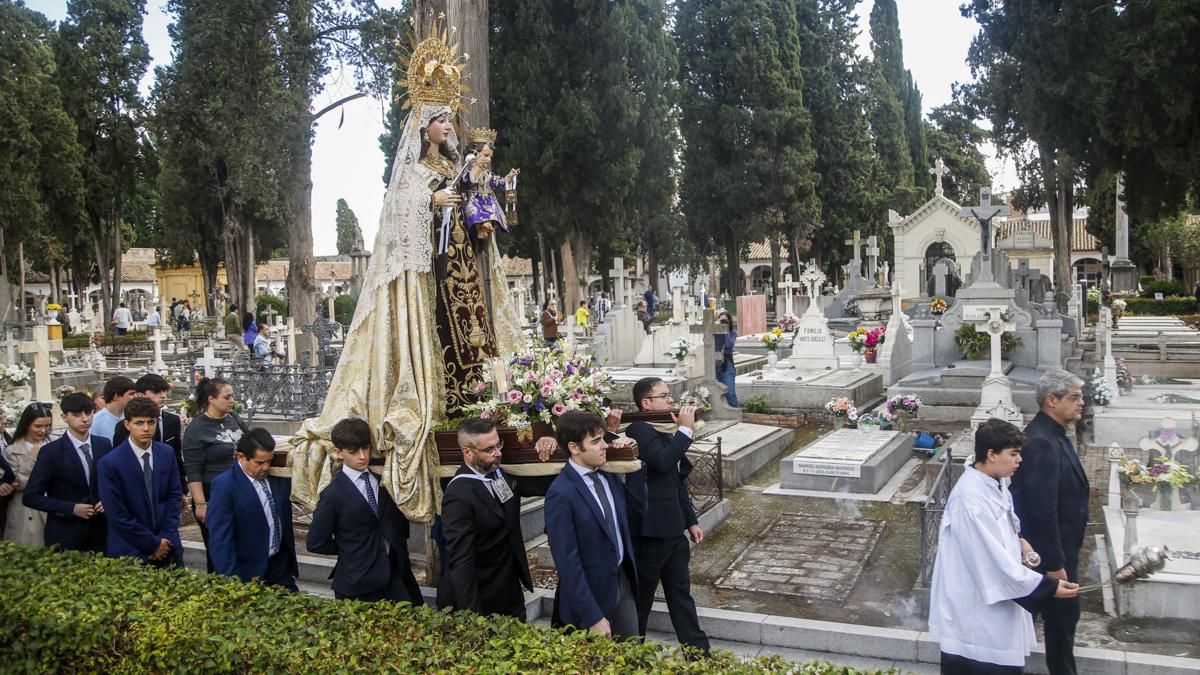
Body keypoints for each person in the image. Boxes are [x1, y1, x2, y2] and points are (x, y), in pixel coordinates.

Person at [930, 418, 1080, 673]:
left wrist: (1019, 541)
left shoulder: (993, 482)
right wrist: (1048, 587)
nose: (1019, 460)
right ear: (991, 454)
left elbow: (1002, 525)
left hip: (993, 609)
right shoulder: (971, 499)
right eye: (1013, 454)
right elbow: (990, 562)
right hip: (976, 616)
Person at [1009, 370, 1089, 675]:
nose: (1081, 402)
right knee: (1056, 625)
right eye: (1074, 397)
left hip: (1059, 554)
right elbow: (1041, 509)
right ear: (1051, 401)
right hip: (1048, 560)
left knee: (1062, 626)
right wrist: (1055, 566)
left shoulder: (1055, 434)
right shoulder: (1041, 441)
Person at [624, 377, 710, 653]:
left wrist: (691, 520)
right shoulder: (639, 429)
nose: (671, 400)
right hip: (650, 533)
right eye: (664, 396)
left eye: (670, 395)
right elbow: (662, 461)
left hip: (674, 531)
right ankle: (631, 655)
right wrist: (684, 431)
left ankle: (699, 655)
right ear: (646, 403)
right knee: (642, 601)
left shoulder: (665, 428)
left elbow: (676, 480)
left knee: (681, 597)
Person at [306, 417, 424, 604]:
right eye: (353, 452)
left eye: (366, 448)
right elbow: (315, 542)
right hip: (357, 582)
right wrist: (350, 547)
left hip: (397, 578)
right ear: (339, 453)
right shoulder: (333, 494)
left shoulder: (385, 482)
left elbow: (397, 524)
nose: (362, 456)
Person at [546, 411, 639, 640]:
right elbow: (567, 562)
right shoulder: (561, 493)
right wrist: (592, 616)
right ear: (574, 447)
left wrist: (632, 460)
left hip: (622, 583)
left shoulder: (608, 475)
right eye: (596, 441)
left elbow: (638, 510)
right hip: (592, 596)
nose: (604, 446)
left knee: (633, 653)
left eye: (604, 438)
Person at [437, 418, 534, 619]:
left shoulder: (499, 473)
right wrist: (473, 617)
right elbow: (461, 560)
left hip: (509, 590)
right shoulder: (458, 495)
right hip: (480, 595)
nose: (498, 453)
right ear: (468, 452)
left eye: (499, 445)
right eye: (489, 449)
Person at [207, 428, 298, 591]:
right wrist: (233, 583)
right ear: (240, 457)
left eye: (269, 461)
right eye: (259, 463)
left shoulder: (277, 477)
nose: (266, 467)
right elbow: (221, 540)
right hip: (247, 571)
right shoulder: (225, 486)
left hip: (279, 566)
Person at [96, 396, 183, 567]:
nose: (146, 428)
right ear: (127, 424)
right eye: (139, 423)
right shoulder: (110, 463)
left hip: (168, 545)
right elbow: (117, 513)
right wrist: (152, 544)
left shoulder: (166, 453)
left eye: (151, 422)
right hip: (130, 549)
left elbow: (174, 497)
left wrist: (165, 537)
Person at [22, 393, 113, 552]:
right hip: (66, 534)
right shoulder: (51, 452)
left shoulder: (103, 444)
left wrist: (107, 500)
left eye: (89, 413)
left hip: (101, 532)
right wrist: (71, 508)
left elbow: (114, 483)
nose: (85, 419)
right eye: (77, 415)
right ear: (64, 417)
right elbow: (31, 496)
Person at [182, 377, 244, 571]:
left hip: (239, 488)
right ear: (211, 399)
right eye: (227, 397)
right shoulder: (197, 428)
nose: (231, 400)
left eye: (232, 396)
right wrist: (201, 504)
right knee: (220, 549)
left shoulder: (233, 418)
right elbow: (193, 469)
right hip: (213, 492)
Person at [113, 374, 184, 488]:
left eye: (164, 391)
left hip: (167, 484)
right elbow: (119, 459)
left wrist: (182, 488)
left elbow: (177, 457)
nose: (163, 396)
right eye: (156, 392)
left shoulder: (172, 420)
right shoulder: (125, 425)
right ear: (140, 395)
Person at [2, 403, 54, 545]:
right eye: (38, 426)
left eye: (47, 426)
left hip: (53, 504)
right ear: (26, 424)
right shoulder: (13, 450)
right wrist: (31, 460)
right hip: (26, 511)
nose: (43, 430)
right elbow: (17, 484)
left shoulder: (54, 444)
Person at [91, 376, 136, 443]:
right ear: (116, 396)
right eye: (131, 394)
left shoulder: (133, 416)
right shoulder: (95, 422)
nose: (135, 397)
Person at [714, 311, 739, 407]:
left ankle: (736, 413)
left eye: (725, 320)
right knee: (717, 394)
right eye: (721, 321)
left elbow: (729, 344)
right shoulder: (715, 332)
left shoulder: (732, 333)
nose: (723, 322)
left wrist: (725, 329)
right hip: (715, 365)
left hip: (727, 365)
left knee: (730, 394)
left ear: (729, 321)